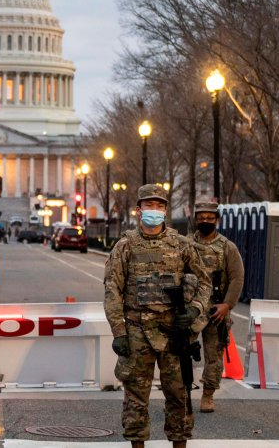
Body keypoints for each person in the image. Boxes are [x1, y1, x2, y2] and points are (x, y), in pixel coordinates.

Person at [104, 183, 211, 448]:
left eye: (160, 206)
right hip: (137, 331)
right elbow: (112, 291)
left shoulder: (182, 245)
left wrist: (195, 310)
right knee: (136, 397)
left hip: (174, 332)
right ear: (138, 211)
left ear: (165, 210)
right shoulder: (125, 246)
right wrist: (119, 332)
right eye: (149, 206)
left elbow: (205, 282)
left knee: (179, 395)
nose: (155, 210)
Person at [189, 199, 244, 414]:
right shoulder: (186, 245)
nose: (205, 221)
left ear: (217, 220)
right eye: (201, 218)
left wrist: (227, 305)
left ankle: (208, 395)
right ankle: (183, 393)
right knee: (181, 352)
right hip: (191, 310)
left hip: (216, 310)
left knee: (214, 355)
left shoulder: (227, 247)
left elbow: (237, 278)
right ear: (195, 220)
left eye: (209, 218)